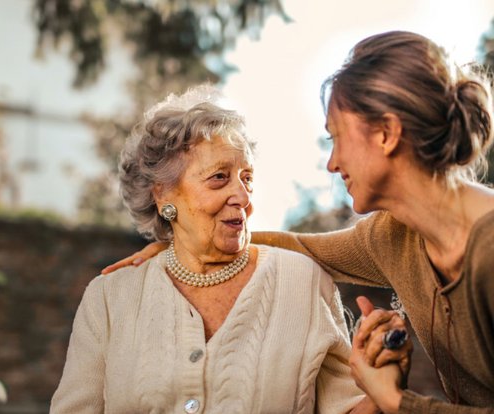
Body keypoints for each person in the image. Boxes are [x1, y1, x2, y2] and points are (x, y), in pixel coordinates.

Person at [102, 31, 494, 413]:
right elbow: (302, 247)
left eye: (336, 138)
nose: (333, 163)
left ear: (387, 134)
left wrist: (395, 401)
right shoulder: (393, 237)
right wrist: (186, 239)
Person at [51, 85, 377, 413]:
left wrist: (383, 389)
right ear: (163, 195)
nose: (243, 196)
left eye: (247, 178)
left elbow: (345, 407)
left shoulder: (303, 282)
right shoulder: (109, 298)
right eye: (219, 178)